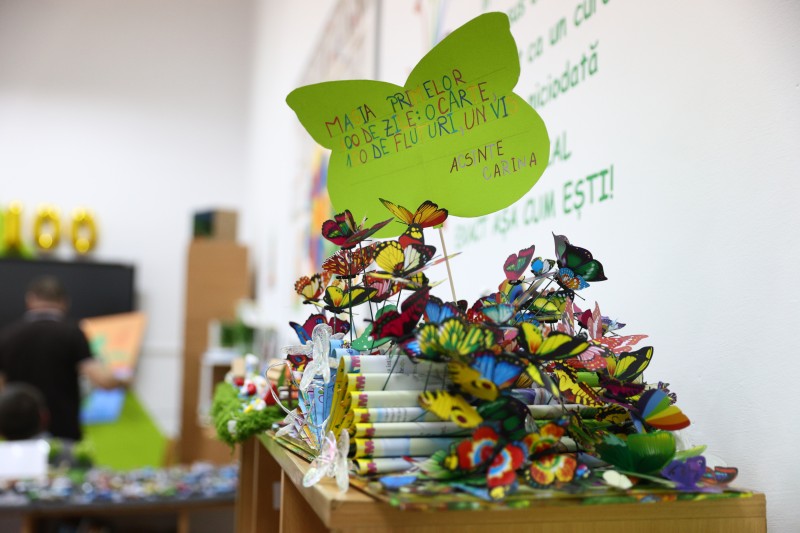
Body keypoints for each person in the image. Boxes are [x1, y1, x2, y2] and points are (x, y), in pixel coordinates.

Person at [0, 275, 128, 441]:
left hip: (17, 433)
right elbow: (102, 380)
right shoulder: (73, 333)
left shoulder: (7, 335)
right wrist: (123, 380)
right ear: (64, 302)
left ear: (30, 300)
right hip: (63, 431)